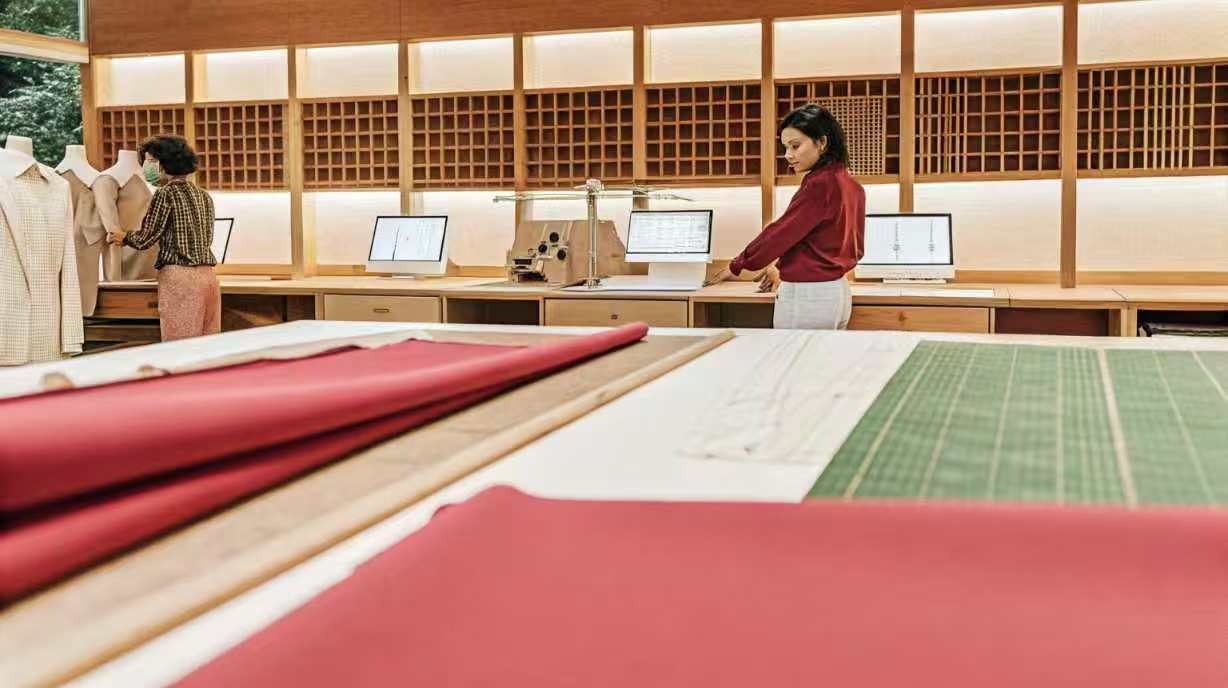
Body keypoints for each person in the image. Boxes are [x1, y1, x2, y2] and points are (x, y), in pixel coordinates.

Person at [706, 104, 865, 330]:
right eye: (785, 147)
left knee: (796, 363)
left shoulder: (820, 185)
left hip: (809, 295)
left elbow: (781, 233)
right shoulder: (851, 184)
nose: (788, 155)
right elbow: (820, 240)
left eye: (796, 146)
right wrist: (780, 265)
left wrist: (738, 265)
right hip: (837, 292)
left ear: (822, 142)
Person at [108, 135, 221, 341]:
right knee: (207, 348)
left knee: (179, 348)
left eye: (150, 161)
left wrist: (123, 237)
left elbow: (145, 238)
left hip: (179, 278)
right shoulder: (204, 195)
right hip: (209, 278)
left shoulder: (165, 194)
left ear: (165, 162)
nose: (146, 167)